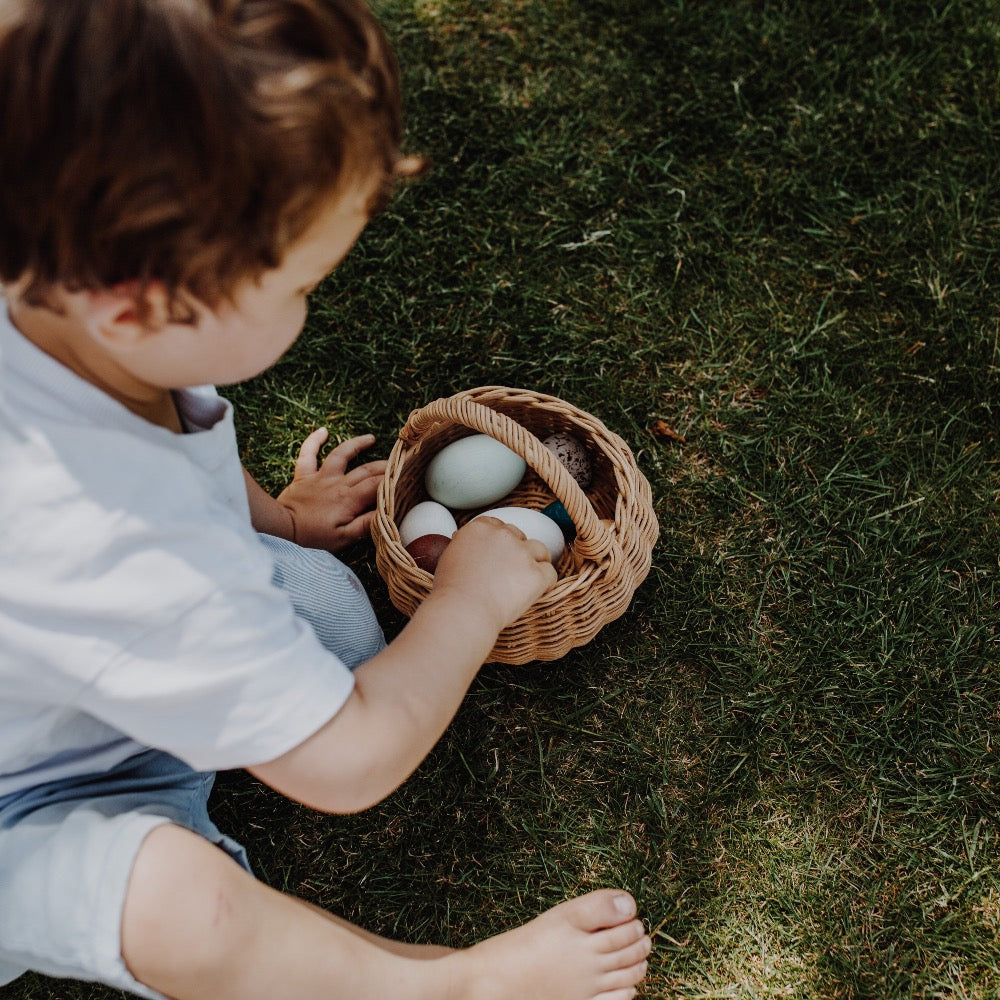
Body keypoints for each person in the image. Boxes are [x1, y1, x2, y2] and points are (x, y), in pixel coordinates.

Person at [0, 1, 652, 998]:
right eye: (300, 286)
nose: (309, 308)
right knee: (180, 904)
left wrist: (283, 520)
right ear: (134, 307)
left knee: (342, 622)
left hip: (64, 687)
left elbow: (176, 444)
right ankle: (445, 987)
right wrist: (470, 596)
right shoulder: (112, 542)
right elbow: (346, 763)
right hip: (22, 808)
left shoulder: (67, 305)